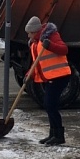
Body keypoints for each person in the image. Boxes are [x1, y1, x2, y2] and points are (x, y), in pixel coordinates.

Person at [25, 16, 71, 146]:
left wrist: (50, 45)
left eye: (29, 33)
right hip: (50, 77)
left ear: (34, 31)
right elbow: (36, 63)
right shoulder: (35, 44)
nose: (28, 36)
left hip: (60, 75)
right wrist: (29, 75)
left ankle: (59, 135)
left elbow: (64, 49)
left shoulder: (51, 36)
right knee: (49, 105)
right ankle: (53, 134)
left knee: (50, 104)